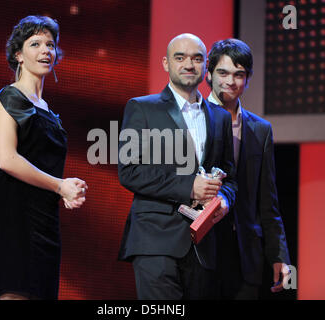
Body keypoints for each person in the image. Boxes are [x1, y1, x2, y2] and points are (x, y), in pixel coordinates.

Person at [117, 33, 237, 299]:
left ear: (206, 66)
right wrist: (189, 187)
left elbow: (230, 176)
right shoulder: (141, 108)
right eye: (179, 57)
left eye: (196, 58)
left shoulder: (220, 117)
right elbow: (129, 171)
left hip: (202, 244)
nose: (188, 64)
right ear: (165, 63)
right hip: (155, 240)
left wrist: (224, 200)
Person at [0, 15, 87, 300]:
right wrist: (58, 185)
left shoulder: (49, 111)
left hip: (45, 220)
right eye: (35, 43)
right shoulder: (11, 97)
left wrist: (67, 189)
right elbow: (6, 159)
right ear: (18, 54)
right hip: (15, 216)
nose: (45, 50)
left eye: (50, 44)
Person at [206, 38, 291, 299]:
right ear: (208, 75)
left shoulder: (260, 129)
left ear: (248, 78)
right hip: (200, 247)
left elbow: (268, 199)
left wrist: (279, 255)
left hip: (245, 254)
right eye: (223, 72)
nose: (230, 81)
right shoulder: (191, 119)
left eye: (238, 74)